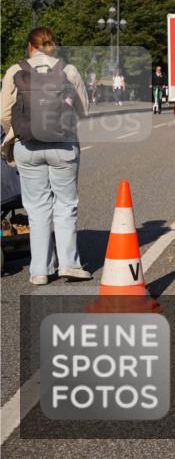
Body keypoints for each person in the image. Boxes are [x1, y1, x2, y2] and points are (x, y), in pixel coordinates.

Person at [0, 27, 91, 285]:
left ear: (30, 47)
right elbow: (84, 110)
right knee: (65, 205)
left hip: (27, 146)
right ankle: (70, 264)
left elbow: (4, 114)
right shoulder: (68, 70)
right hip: (63, 145)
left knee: (37, 208)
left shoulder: (15, 71)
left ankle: (40, 270)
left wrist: (19, 131)